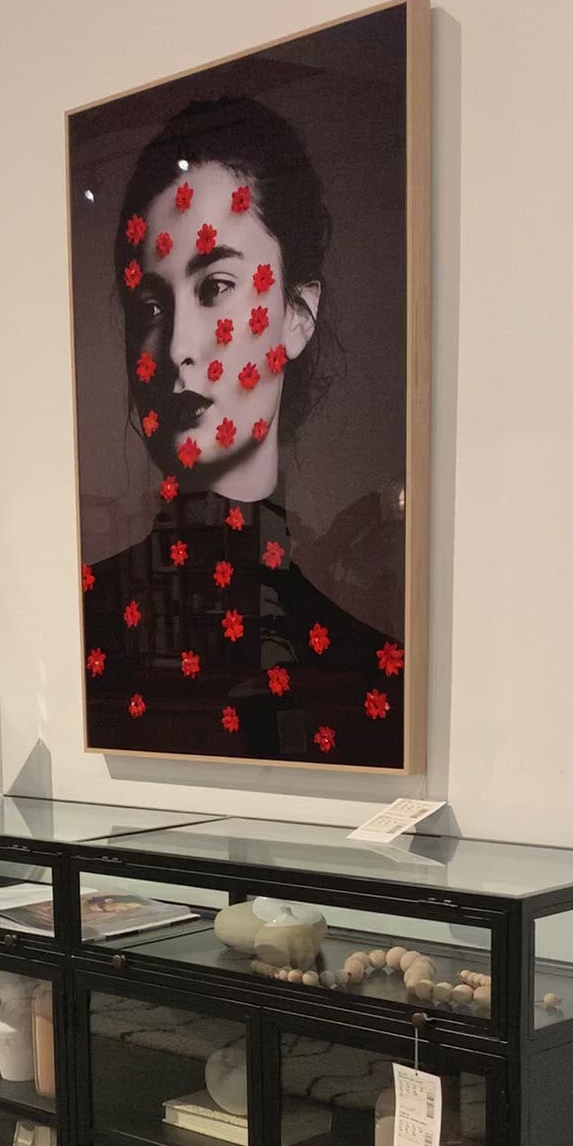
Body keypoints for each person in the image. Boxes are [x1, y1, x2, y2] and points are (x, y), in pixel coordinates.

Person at [82, 95, 405, 767]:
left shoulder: (364, 653)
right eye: (150, 307)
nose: (178, 348)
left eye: (216, 287)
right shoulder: (93, 621)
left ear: (297, 315)